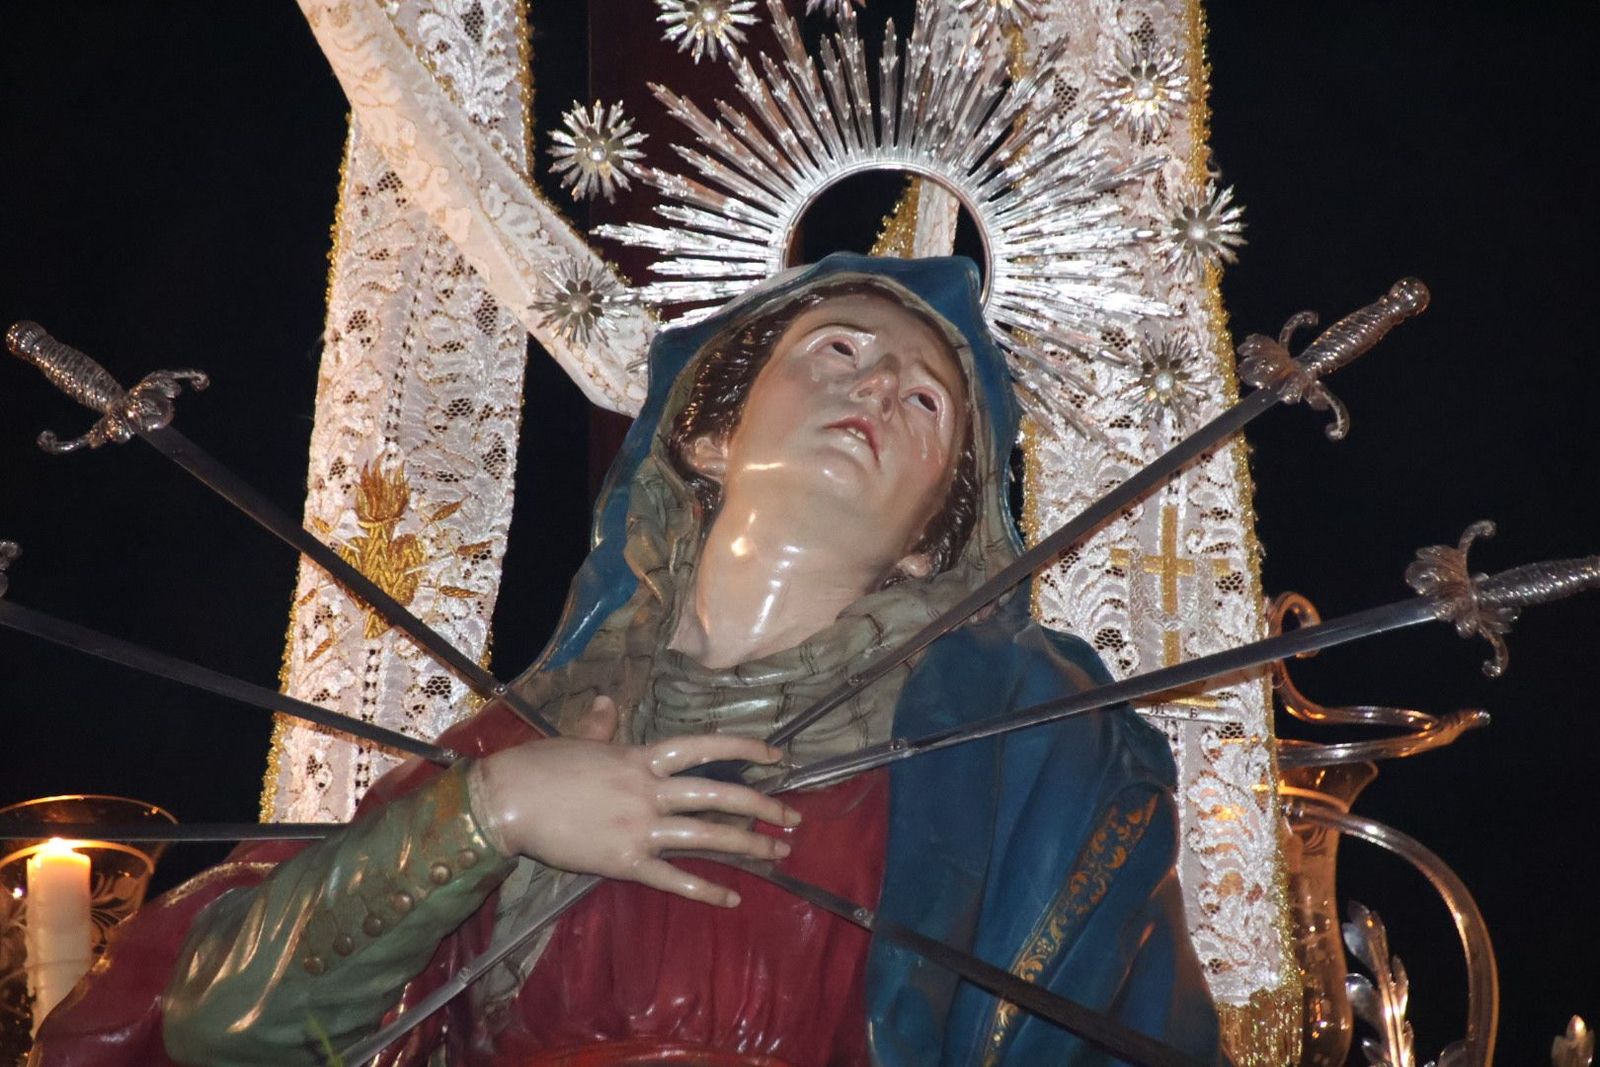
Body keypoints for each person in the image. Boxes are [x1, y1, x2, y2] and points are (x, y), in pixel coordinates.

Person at [34, 254, 1225, 1066]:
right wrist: (487, 816)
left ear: (931, 541)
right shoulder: (519, 745)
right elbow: (221, 1022)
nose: (874, 385)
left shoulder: (1029, 756)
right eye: (839, 349)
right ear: (707, 432)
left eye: (924, 403)